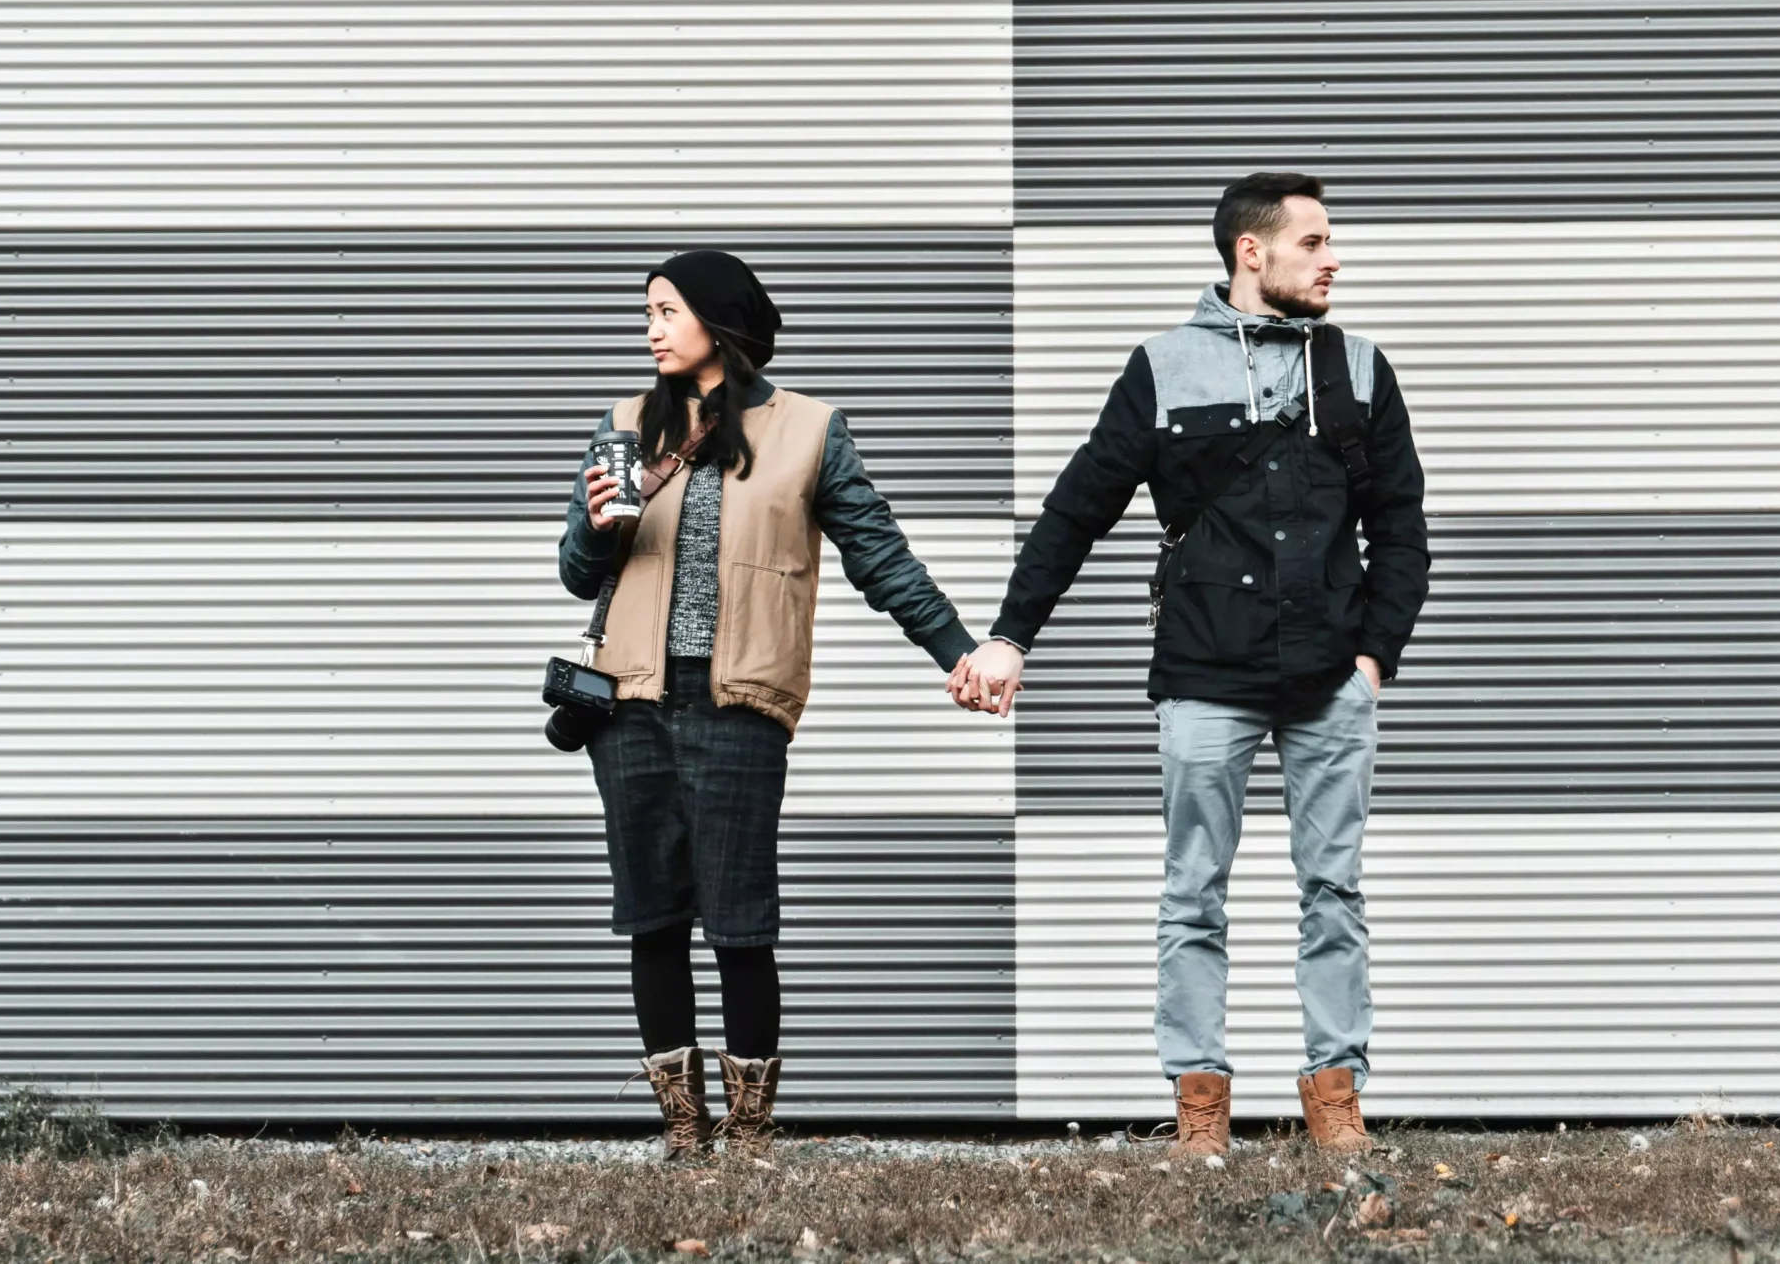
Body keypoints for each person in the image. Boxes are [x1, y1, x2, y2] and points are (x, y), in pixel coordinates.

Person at [953, 173, 1428, 1158]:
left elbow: (1402, 531)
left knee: (1331, 892)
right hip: (1204, 675)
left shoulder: (1361, 369)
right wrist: (1010, 634)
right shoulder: (1163, 367)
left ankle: (1336, 1097)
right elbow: (1076, 510)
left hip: (1328, 681)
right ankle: (1199, 1105)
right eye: (1312, 242)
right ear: (1250, 253)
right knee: (1192, 892)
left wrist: (1373, 658)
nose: (1332, 257)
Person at [561, 249, 986, 1157]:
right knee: (651, 916)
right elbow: (575, 571)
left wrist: (958, 648)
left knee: (742, 923)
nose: (650, 328)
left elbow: (882, 559)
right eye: (647, 312)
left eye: (667, 310)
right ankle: (684, 1129)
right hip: (629, 707)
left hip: (740, 705)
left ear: (720, 320)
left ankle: (749, 1132)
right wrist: (600, 526)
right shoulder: (623, 425)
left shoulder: (810, 431)